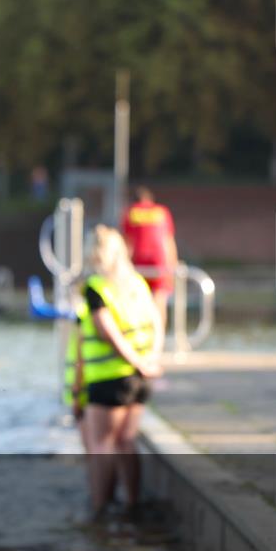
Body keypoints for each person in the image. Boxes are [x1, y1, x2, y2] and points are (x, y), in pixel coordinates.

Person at [76, 226, 163, 517]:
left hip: (109, 377)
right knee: (127, 440)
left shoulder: (96, 288)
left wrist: (137, 362)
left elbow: (108, 332)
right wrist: (150, 359)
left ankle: (100, 509)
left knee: (103, 444)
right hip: (140, 379)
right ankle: (132, 503)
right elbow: (156, 321)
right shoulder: (137, 282)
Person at [121, 185, 177, 331]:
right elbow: (168, 240)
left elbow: (128, 242)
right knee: (159, 298)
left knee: (136, 298)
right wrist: (173, 264)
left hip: (138, 261)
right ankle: (159, 334)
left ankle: (140, 333)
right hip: (159, 260)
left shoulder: (131, 212)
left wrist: (124, 264)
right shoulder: (161, 211)